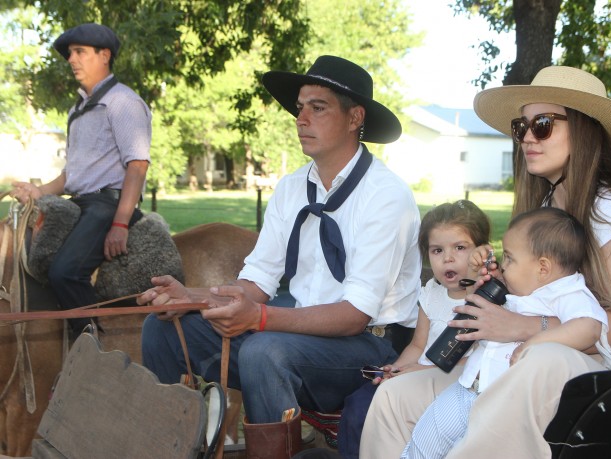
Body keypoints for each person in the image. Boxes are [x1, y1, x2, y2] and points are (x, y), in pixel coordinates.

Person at [360, 65, 611, 459]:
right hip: (521, 363)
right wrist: (494, 284)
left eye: (542, 124)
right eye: (521, 126)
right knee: (396, 397)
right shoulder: (545, 207)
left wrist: (521, 327)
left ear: (584, 128)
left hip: (604, 376)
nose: (527, 137)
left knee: (541, 358)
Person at [137, 55, 421, 458]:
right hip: (302, 339)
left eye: (317, 107)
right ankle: (170, 448)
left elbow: (356, 314)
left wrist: (262, 320)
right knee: (162, 329)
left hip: (371, 349)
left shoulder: (386, 196)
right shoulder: (291, 189)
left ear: (355, 117)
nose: (301, 118)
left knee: (264, 350)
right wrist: (191, 296)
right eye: (299, 107)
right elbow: (257, 283)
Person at [401, 206, 611, 458]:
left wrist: (535, 342)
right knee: (424, 441)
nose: (504, 265)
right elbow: (476, 307)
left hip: (502, 402)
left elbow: (588, 327)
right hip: (468, 387)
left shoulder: (568, 292)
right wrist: (484, 276)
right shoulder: (521, 287)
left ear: (542, 268)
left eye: (509, 258)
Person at [10, 23, 151, 335]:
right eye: (70, 54)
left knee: (66, 272)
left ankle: (94, 352)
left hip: (107, 205)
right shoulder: (77, 109)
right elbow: (69, 175)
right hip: (79, 203)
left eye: (80, 52)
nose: (72, 59)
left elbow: (138, 165)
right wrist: (38, 191)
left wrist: (119, 223)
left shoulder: (122, 101)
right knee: (23, 257)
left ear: (104, 55)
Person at [338, 200, 491, 458]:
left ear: (481, 252)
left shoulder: (484, 297)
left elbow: (469, 358)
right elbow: (418, 345)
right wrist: (396, 369)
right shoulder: (432, 292)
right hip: (416, 373)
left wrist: (416, 371)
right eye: (437, 250)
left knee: (384, 406)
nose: (448, 258)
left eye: (460, 248)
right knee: (358, 404)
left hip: (450, 382)